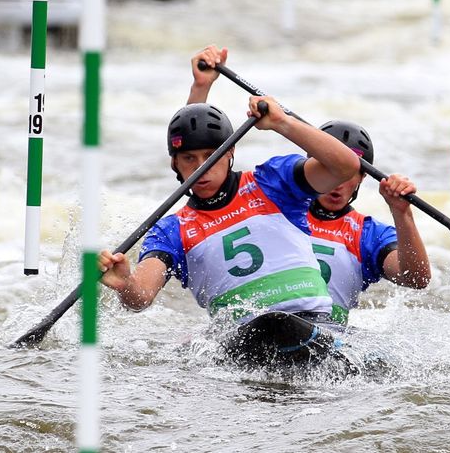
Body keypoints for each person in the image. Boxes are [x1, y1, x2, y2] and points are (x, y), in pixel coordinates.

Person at [98, 47, 361, 325]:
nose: (201, 167)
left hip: (315, 322)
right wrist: (125, 282)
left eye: (211, 156)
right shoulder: (171, 231)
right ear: (174, 164)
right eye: (189, 158)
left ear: (230, 152)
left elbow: (345, 166)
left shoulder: (272, 183)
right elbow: (140, 298)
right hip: (241, 337)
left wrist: (283, 123)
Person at [307, 120, 432, 325]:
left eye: (346, 172)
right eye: (328, 168)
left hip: (327, 340)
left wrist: (402, 212)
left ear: (362, 178)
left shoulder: (369, 234)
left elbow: (416, 278)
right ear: (310, 166)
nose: (336, 181)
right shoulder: (280, 209)